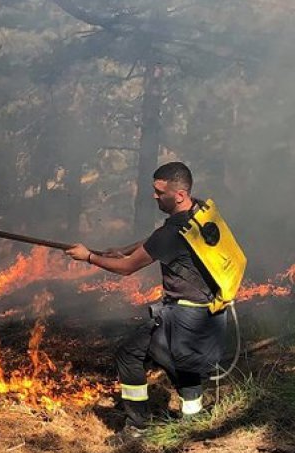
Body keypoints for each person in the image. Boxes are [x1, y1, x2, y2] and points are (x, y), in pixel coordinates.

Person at [65, 162, 228, 432]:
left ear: (178, 195)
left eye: (159, 191)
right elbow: (155, 240)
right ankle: (194, 417)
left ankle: (137, 427)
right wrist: (124, 249)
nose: (154, 196)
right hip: (208, 311)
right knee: (181, 360)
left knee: (129, 354)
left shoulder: (171, 233)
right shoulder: (200, 212)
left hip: (184, 317)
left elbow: (128, 268)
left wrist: (89, 257)